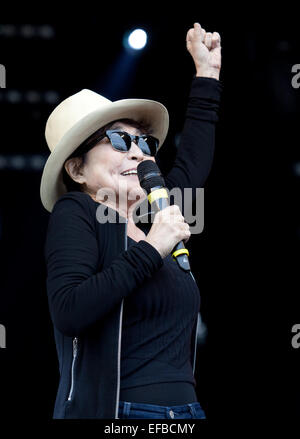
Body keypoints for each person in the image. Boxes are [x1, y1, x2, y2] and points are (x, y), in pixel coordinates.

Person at [41, 22, 222, 419]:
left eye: (145, 142)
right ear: (77, 170)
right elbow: (69, 310)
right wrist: (153, 248)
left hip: (187, 411)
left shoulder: (152, 214)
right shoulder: (80, 212)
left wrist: (207, 76)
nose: (140, 152)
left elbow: (192, 161)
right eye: (120, 140)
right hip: (122, 411)